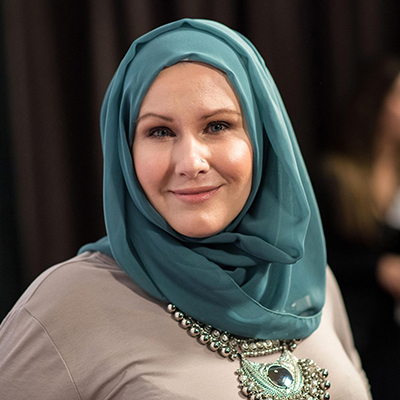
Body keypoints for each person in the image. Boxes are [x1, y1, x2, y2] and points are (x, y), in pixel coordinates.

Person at [0, 19, 372, 399]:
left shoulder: (308, 279)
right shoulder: (66, 304)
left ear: (263, 138)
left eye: (217, 126)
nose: (191, 162)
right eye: (159, 132)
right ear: (125, 155)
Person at [315, 56, 400, 399]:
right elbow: (317, 259)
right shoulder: (334, 176)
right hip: (355, 327)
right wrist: (380, 270)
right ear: (378, 104)